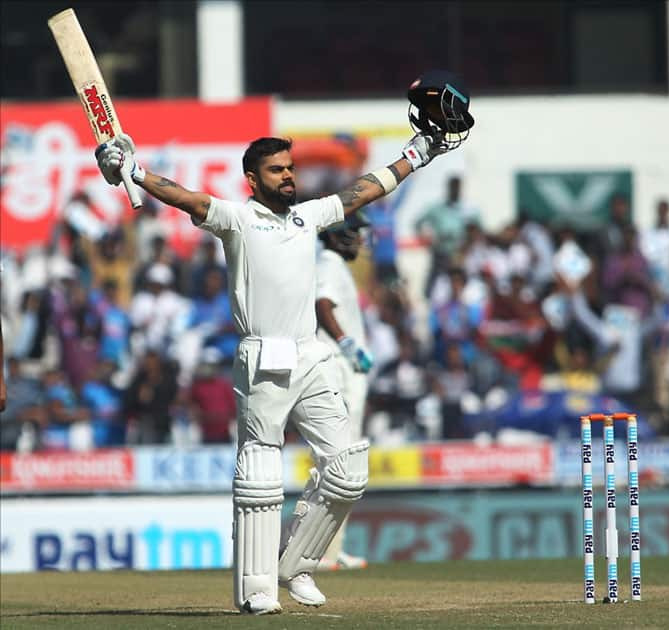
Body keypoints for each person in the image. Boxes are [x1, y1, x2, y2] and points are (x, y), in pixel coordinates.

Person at [96, 127, 449, 613]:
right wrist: (132, 173)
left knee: (347, 469)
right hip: (263, 358)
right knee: (261, 476)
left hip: (311, 356)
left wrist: (418, 154)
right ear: (251, 178)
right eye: (276, 170)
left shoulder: (306, 217)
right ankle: (256, 589)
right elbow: (186, 198)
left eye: (290, 168)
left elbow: (362, 190)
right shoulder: (237, 219)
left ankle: (296, 565)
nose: (288, 177)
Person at [314, 209, 373, 571]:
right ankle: (318, 551)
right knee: (338, 462)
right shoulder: (329, 262)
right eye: (354, 232)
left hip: (348, 371)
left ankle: (333, 549)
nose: (360, 239)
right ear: (336, 235)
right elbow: (322, 306)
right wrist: (346, 342)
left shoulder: (336, 264)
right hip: (339, 370)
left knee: (347, 464)